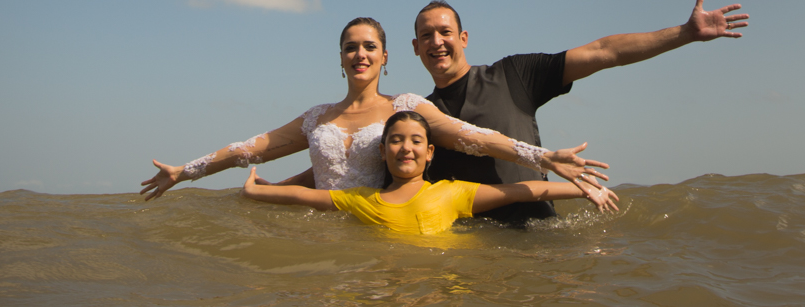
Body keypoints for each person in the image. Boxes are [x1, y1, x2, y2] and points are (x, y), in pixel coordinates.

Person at [140, 17, 610, 202]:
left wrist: (542, 157)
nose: (359, 55)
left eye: (369, 47)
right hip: (312, 228)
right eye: (350, 48)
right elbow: (250, 149)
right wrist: (186, 171)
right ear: (340, 57)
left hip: (379, 228)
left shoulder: (406, 109)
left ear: (385, 57)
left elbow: (473, 136)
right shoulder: (315, 117)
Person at [414, 0, 749, 223]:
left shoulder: (512, 75)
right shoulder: (418, 119)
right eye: (426, 35)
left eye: (445, 32)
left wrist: (685, 33)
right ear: (416, 47)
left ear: (464, 38)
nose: (437, 42)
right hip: (475, 251)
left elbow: (604, 52)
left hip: (541, 234)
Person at [241, 111, 619, 235]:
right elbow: (306, 196)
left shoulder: (452, 193)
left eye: (416, 141)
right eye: (396, 141)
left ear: (430, 152)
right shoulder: (360, 201)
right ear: (382, 151)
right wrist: (257, 191)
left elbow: (522, 191)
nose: (406, 148)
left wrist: (585, 190)